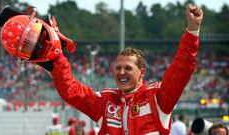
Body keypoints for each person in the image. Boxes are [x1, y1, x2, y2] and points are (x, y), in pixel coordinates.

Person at [39, 3, 203, 135]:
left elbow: (181, 69)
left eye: (128, 68)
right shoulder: (105, 101)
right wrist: (57, 55)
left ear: (142, 73)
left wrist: (193, 30)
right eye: (118, 68)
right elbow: (70, 90)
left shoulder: (158, 97)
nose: (121, 72)